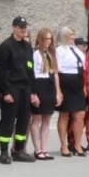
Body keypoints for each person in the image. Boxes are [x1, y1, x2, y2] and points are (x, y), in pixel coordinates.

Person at [0, 16, 36, 164]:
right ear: (13, 28)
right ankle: (4, 151)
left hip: (25, 88)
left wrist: (33, 91)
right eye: (20, 27)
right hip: (12, 88)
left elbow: (31, 70)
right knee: (8, 121)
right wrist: (5, 92)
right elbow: (2, 72)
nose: (23, 29)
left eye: (25, 27)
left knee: (23, 121)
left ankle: (18, 150)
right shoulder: (6, 46)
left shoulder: (27, 46)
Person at [55, 26, 88, 157]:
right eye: (70, 35)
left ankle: (77, 144)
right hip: (65, 84)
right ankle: (64, 145)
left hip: (78, 84)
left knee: (80, 115)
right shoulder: (59, 50)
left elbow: (82, 69)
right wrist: (58, 91)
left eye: (73, 35)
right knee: (64, 116)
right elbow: (57, 71)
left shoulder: (77, 50)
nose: (72, 38)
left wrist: (84, 86)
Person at [29, 26, 62, 160]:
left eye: (50, 39)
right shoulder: (35, 54)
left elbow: (55, 75)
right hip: (39, 85)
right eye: (45, 39)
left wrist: (58, 92)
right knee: (36, 119)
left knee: (47, 119)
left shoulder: (51, 54)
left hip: (49, 86)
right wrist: (34, 92)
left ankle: (44, 148)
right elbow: (32, 74)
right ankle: (37, 149)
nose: (48, 41)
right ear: (40, 39)